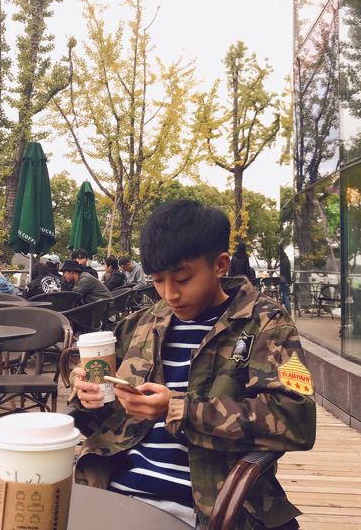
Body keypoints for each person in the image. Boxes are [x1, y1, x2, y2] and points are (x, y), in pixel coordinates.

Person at [71, 200, 316, 529]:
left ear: (220, 265)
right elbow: (98, 414)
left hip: (206, 504)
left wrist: (178, 409)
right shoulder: (141, 324)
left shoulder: (266, 324)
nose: (169, 294)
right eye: (158, 280)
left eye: (183, 279)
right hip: (111, 488)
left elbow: (297, 419)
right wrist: (87, 394)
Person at [279, 246, 292, 313]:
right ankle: (285, 308)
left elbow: (284, 271)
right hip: (285, 278)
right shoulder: (285, 259)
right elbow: (288, 271)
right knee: (284, 294)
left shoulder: (283, 260)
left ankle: (288, 309)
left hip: (283, 279)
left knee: (284, 294)